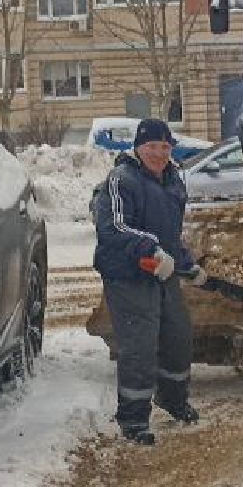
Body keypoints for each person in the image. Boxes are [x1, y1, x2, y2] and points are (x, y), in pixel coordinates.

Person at [90, 118, 207, 445]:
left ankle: (171, 398)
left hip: (161, 272)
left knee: (178, 336)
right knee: (139, 346)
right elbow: (113, 228)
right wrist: (151, 249)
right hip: (128, 275)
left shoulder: (173, 183)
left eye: (164, 147)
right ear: (138, 148)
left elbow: (170, 237)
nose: (158, 153)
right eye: (152, 146)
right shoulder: (121, 179)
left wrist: (188, 266)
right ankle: (133, 418)